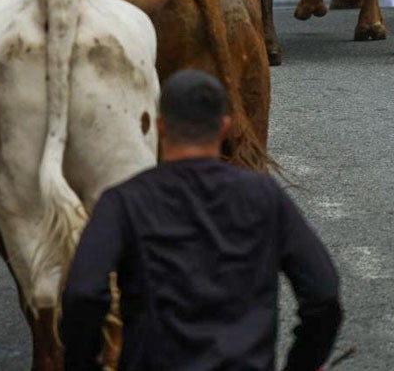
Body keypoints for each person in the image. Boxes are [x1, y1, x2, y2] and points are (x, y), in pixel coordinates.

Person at [61, 70, 342, 371]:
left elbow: (83, 294)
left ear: (160, 126)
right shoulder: (264, 195)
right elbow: (323, 294)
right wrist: (301, 364)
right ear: (224, 128)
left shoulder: (123, 201)